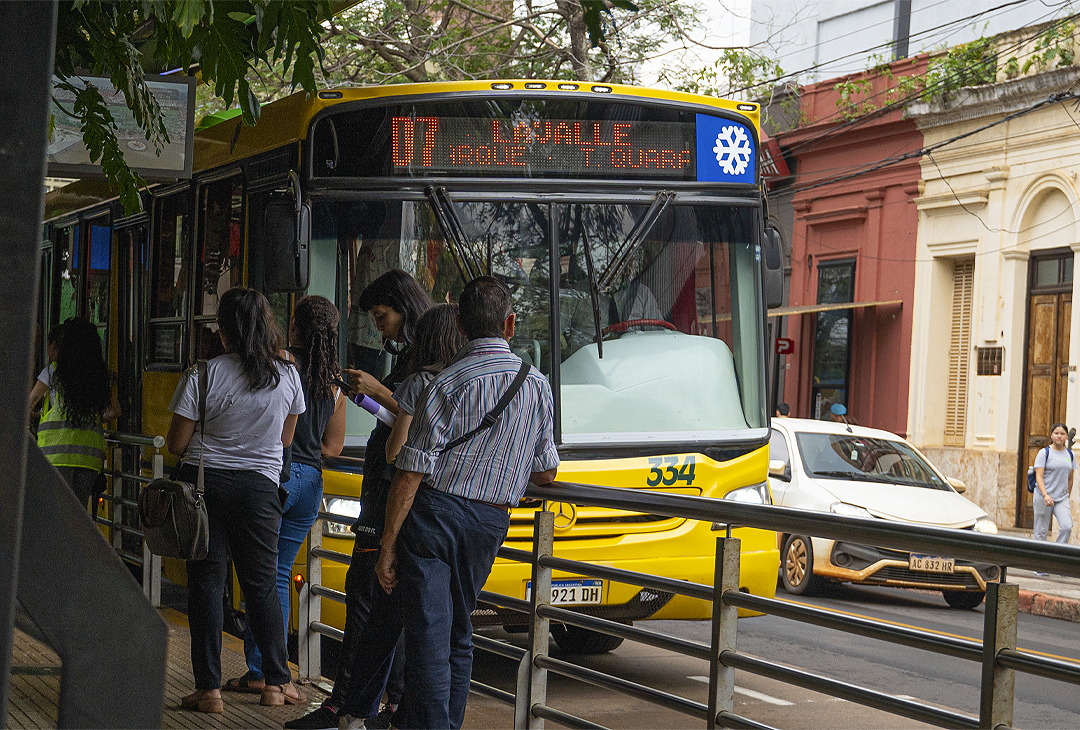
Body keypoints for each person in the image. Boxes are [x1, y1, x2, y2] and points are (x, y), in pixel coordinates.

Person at [377, 276, 559, 730]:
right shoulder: (535, 385)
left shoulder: (447, 383)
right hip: (489, 523)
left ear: (459, 322)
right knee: (459, 633)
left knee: (429, 637)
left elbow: (410, 470)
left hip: (435, 519)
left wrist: (387, 546)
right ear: (511, 324)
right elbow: (546, 471)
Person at [287, 270, 432, 730]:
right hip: (386, 490)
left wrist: (374, 390)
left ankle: (346, 706)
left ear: (405, 310)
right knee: (383, 604)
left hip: (390, 494)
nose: (379, 328)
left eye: (382, 317)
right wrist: (370, 397)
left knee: (368, 598)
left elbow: (422, 416)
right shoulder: (414, 357)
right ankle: (379, 703)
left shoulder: (425, 361)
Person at [166, 287, 306, 714]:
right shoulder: (288, 377)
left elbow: (176, 443)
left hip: (204, 488)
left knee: (207, 586)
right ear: (268, 328)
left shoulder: (202, 374)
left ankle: (208, 690)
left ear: (223, 331)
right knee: (262, 586)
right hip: (260, 491)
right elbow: (285, 440)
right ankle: (275, 684)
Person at [334, 303, 467, 730]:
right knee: (446, 632)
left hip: (414, 518)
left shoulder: (420, 383)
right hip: (461, 516)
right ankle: (422, 716)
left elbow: (397, 454)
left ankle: (358, 711)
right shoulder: (470, 382)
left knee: (385, 622)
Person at [226, 295, 348, 693]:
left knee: (259, 577)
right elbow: (333, 448)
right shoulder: (336, 383)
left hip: (276, 476)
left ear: (294, 326)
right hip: (311, 482)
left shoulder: (280, 362)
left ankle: (261, 672)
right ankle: (267, 671)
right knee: (278, 574)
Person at [34, 318, 119, 508]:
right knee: (78, 513)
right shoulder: (98, 376)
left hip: (55, 456)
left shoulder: (52, 372)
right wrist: (91, 419)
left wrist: (37, 417)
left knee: (56, 513)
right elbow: (115, 410)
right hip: (88, 458)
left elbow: (27, 405)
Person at [1033, 423, 1076, 553]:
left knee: (1067, 526)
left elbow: (1070, 477)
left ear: (1066, 437)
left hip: (1061, 498)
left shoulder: (1070, 454)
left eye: (1062, 434)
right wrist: (1045, 495)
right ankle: (1039, 564)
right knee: (1041, 532)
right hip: (1043, 496)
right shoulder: (1044, 453)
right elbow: (1039, 477)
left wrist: (1067, 495)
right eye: (1056, 433)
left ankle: (1055, 557)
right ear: (1051, 435)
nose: (1059, 436)